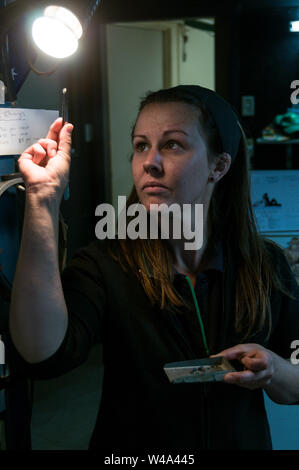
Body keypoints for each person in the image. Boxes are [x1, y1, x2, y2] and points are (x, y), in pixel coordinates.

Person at [8, 85, 299, 452]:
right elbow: (40, 352)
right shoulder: (107, 263)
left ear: (219, 165)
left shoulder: (265, 265)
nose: (150, 162)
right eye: (141, 145)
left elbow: (295, 386)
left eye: (173, 144)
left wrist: (273, 368)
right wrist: (43, 199)